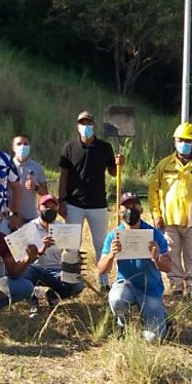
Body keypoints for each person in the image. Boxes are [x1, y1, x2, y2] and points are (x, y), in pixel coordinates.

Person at [59, 110, 125, 291]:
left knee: (101, 243)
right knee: (71, 243)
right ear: (77, 126)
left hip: (98, 204)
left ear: (94, 126)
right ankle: (69, 281)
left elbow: (113, 171)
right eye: (82, 123)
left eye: (88, 123)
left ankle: (104, 281)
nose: (85, 126)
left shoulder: (104, 147)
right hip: (74, 203)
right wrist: (61, 200)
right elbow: (63, 175)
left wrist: (119, 164)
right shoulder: (69, 147)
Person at [149, 122, 192, 298]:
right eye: (180, 140)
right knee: (171, 254)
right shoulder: (164, 165)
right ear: (175, 142)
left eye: (187, 140)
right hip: (168, 221)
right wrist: (156, 214)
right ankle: (176, 287)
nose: (183, 143)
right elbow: (153, 190)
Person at [97, 192, 172, 342]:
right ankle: (123, 324)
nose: (130, 210)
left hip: (151, 289)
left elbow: (168, 267)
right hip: (126, 284)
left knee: (153, 339)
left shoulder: (154, 234)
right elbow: (101, 269)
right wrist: (111, 254)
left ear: (141, 208)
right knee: (116, 298)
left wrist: (157, 258)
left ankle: (161, 318)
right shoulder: (114, 236)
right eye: (126, 206)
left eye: (134, 205)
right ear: (119, 211)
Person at [22, 194, 85, 316]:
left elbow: (71, 253)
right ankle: (33, 302)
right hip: (35, 269)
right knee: (24, 271)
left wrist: (75, 258)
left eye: (53, 206)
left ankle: (53, 296)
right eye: (46, 206)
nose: (50, 209)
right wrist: (42, 248)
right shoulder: (28, 228)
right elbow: (22, 257)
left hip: (57, 270)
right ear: (38, 208)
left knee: (77, 284)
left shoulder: (64, 228)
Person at [11, 133, 48, 223]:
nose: (22, 146)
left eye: (25, 144)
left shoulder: (37, 167)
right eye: (19, 144)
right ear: (13, 148)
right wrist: (12, 213)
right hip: (11, 217)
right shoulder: (7, 166)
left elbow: (45, 194)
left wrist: (35, 187)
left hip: (31, 217)